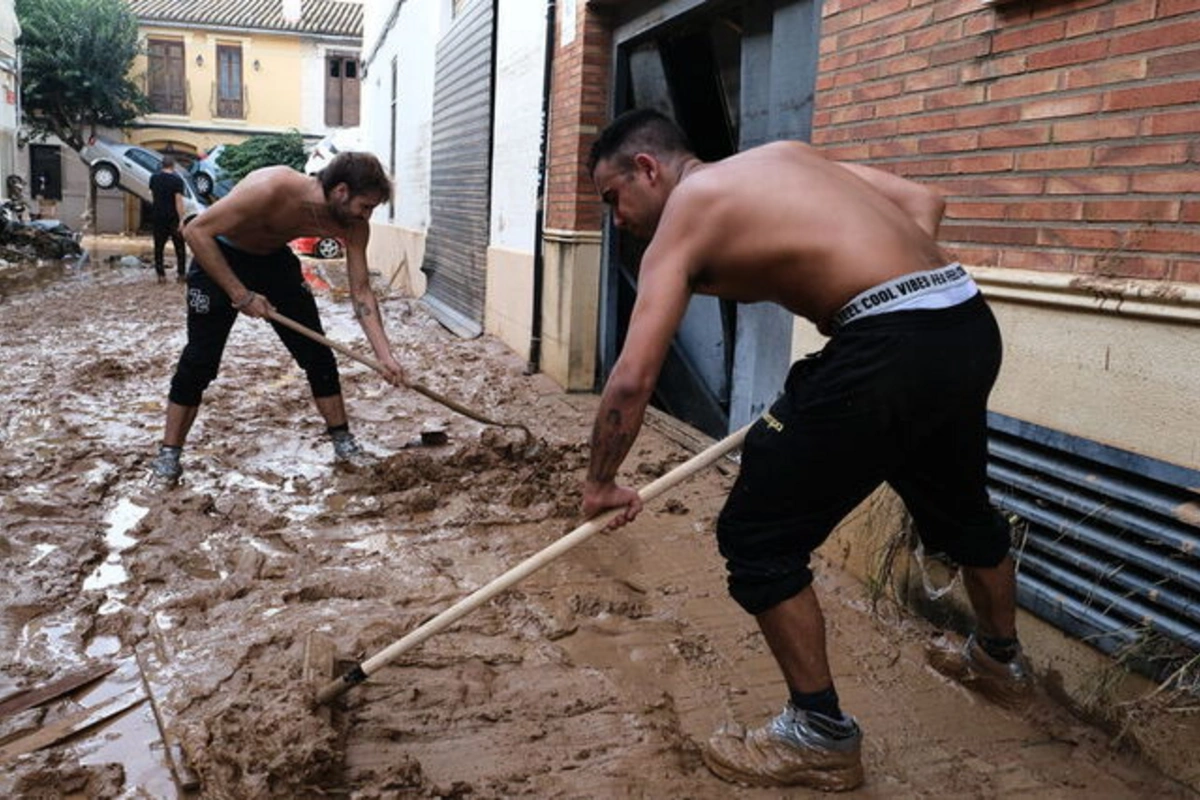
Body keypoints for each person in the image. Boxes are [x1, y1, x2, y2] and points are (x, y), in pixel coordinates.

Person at [581, 109, 1032, 790]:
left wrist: (601, 482)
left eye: (613, 198)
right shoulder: (784, 155)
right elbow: (922, 202)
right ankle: (1000, 660)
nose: (617, 219)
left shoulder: (687, 210)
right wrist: (893, 297)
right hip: (964, 322)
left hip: (894, 346)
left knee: (757, 534)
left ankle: (819, 734)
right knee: (961, 510)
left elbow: (633, 378)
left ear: (648, 168)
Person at [148, 152, 405, 484]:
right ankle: (169, 456)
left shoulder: (354, 224)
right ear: (341, 191)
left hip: (273, 263)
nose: (367, 215)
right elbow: (196, 233)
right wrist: (241, 295)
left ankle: (344, 444)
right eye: (365, 206)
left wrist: (385, 356)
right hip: (219, 257)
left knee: (319, 357)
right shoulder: (271, 186)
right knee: (199, 362)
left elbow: (361, 291)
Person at [149, 155, 188, 282]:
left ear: (162, 165)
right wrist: (182, 219)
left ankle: (161, 276)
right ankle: (181, 274)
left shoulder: (154, 178)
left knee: (158, 247)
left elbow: (153, 195)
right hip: (172, 217)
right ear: (173, 165)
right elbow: (178, 202)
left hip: (157, 216)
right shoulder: (177, 181)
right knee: (179, 247)